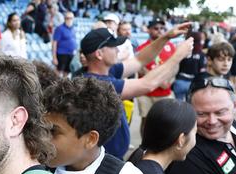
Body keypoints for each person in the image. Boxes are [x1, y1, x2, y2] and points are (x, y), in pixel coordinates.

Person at [80, 25, 193, 159]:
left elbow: (140, 59)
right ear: (99, 54)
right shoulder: (97, 84)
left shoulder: (106, 71)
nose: (117, 49)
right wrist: (178, 55)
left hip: (108, 156)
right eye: (112, 46)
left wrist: (165, 37)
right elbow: (147, 84)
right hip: (104, 160)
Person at [136, 18, 176, 134]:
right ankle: (144, 147)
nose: (159, 31)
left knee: (165, 122)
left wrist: (168, 81)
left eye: (162, 28)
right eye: (156, 28)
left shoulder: (171, 46)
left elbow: (175, 66)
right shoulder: (142, 47)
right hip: (146, 93)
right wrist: (158, 80)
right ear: (149, 30)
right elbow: (140, 68)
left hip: (165, 92)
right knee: (146, 121)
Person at [173, 31, 206, 101]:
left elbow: (176, 65)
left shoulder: (182, 52)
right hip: (193, 83)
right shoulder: (201, 54)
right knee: (191, 106)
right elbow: (202, 71)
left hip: (180, 81)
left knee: (178, 106)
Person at [52, 11, 76, 78]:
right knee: (58, 73)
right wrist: (54, 57)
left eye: (71, 18)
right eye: (67, 18)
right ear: (64, 19)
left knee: (67, 72)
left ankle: (64, 86)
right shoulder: (59, 28)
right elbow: (54, 43)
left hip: (71, 54)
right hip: (61, 54)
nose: (69, 20)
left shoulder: (73, 28)